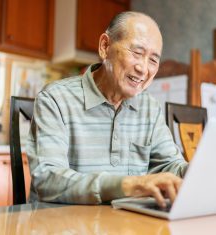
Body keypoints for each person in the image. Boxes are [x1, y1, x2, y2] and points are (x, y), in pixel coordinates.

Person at [26, 11, 188, 208]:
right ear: (105, 46)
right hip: (63, 224)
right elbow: (48, 179)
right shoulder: (55, 99)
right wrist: (129, 185)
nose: (144, 69)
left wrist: (201, 170)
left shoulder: (149, 107)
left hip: (126, 224)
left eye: (153, 60)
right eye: (137, 53)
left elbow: (170, 166)